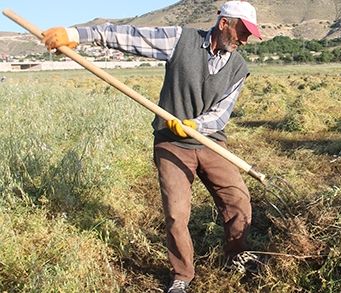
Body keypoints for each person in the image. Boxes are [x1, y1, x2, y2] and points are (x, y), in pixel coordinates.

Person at [42, 1, 262, 292]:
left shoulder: (238, 67)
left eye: (249, 34)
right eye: (242, 32)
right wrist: (76, 34)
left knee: (238, 200)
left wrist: (196, 125)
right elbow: (129, 37)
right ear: (224, 24)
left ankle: (236, 255)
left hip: (210, 142)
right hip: (172, 144)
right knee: (176, 213)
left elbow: (222, 113)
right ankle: (182, 275)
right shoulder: (180, 40)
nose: (245, 40)